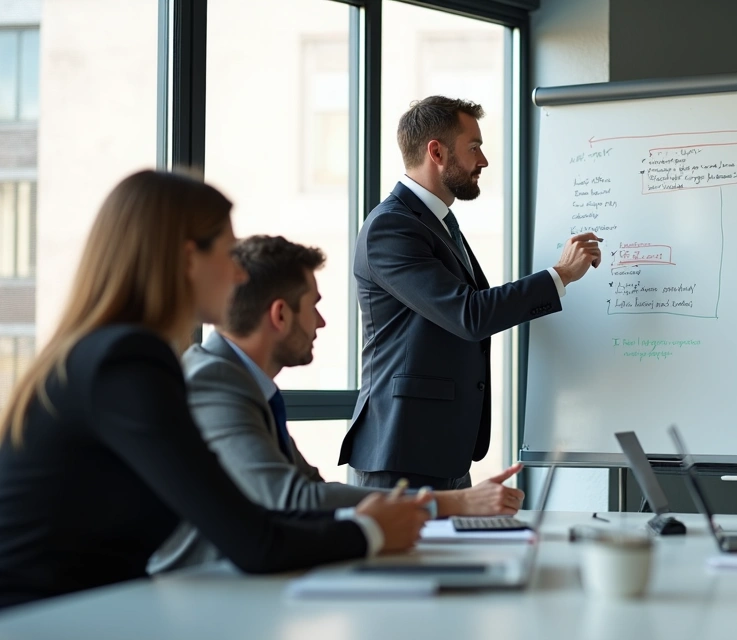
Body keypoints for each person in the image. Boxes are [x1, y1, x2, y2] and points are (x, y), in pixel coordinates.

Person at [0, 171, 431, 610]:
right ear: (189, 258)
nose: (239, 272)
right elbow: (253, 541)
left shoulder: (103, 352)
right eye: (228, 251)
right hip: (47, 620)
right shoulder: (127, 362)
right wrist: (371, 531)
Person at [151, 235, 527, 572]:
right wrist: (455, 503)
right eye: (312, 306)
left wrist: (448, 502)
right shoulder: (214, 381)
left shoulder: (241, 380)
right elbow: (295, 499)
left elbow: (311, 486)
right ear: (280, 315)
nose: (322, 322)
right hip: (194, 593)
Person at [341, 96, 602, 491]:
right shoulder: (390, 228)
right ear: (437, 152)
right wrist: (560, 275)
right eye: (474, 147)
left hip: (440, 450)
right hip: (400, 454)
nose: (484, 161)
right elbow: (470, 315)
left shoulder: (440, 222)